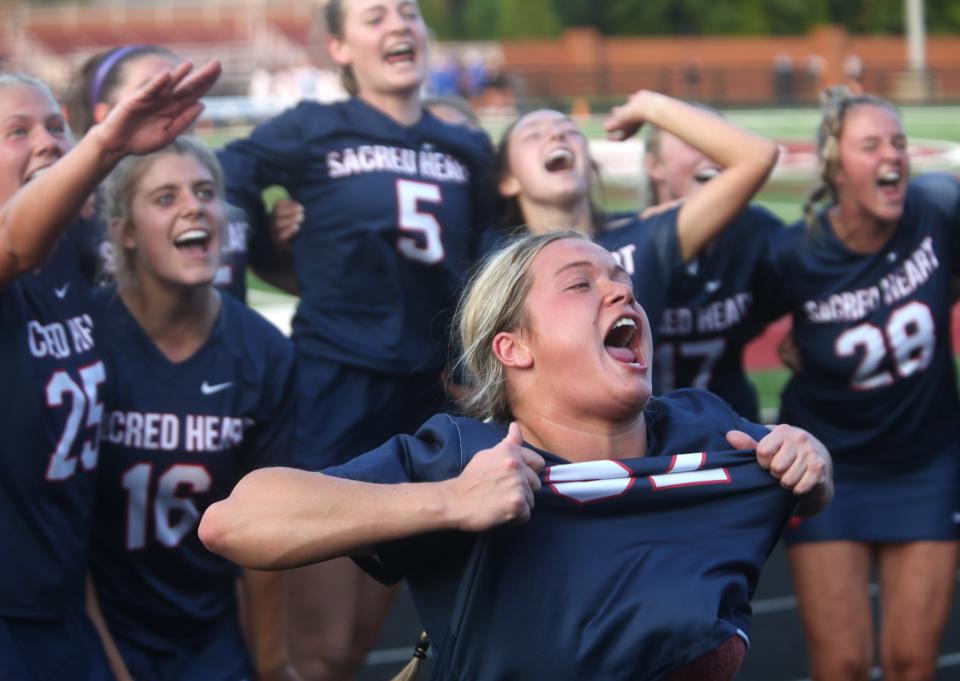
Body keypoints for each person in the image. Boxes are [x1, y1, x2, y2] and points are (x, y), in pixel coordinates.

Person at [199, 231, 833, 681]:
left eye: (623, 282)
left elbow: (805, 486)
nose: (621, 295)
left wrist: (810, 462)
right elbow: (234, 523)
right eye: (582, 285)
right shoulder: (466, 458)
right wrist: (449, 501)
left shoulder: (705, 427)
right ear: (513, 348)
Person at [217, 0, 496, 678]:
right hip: (334, 386)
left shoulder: (465, 145)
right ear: (339, 49)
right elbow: (223, 174)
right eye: (375, 16)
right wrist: (273, 251)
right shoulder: (314, 126)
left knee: (357, 647)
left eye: (409, 12)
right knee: (319, 653)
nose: (400, 24)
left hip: (431, 395)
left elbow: (492, 262)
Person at [0, 60, 220, 680]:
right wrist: (104, 144)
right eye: (18, 131)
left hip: (62, 602)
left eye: (56, 126)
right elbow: (14, 240)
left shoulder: (72, 259)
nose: (47, 140)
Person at [755, 87, 960, 681]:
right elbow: (754, 316)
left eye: (898, 142)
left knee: (911, 662)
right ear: (835, 166)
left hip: (926, 461)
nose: (891, 155)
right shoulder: (794, 254)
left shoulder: (939, 206)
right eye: (870, 145)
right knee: (842, 663)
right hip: (830, 466)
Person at [85, 137, 301, 681]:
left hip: (210, 635)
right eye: (164, 197)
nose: (193, 206)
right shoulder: (82, 337)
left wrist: (272, 663)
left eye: (206, 192)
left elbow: (264, 522)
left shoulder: (263, 351)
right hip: (94, 625)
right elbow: (60, 527)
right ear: (124, 233)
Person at [493, 90, 779, 342]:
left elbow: (757, 156)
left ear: (591, 167)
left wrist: (649, 105)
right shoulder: (493, 260)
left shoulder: (644, 236)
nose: (556, 135)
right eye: (532, 134)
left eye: (571, 131)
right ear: (507, 180)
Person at [65, 45, 262, 302]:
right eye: (152, 91)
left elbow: (272, 262)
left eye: (182, 89)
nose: (172, 102)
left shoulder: (232, 176)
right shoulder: (75, 206)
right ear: (104, 115)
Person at [639, 110, 785, 421]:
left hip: (730, 427)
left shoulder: (756, 232)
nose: (710, 150)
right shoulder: (626, 242)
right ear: (655, 166)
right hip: (646, 436)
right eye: (692, 141)